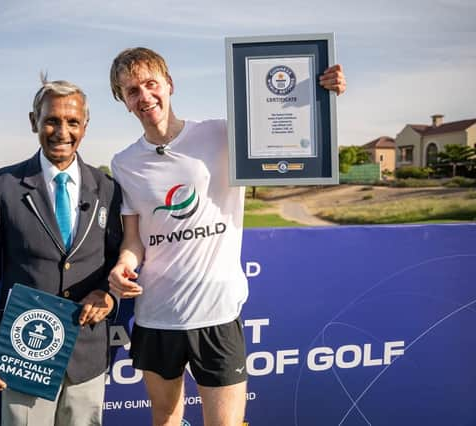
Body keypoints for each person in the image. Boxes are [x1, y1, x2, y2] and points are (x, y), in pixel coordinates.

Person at [107, 47, 346, 426]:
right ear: (123, 100)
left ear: (169, 85)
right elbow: (134, 238)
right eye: (132, 90)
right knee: (165, 417)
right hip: (157, 315)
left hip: (217, 312)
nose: (145, 96)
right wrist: (124, 264)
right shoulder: (124, 162)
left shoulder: (222, 134)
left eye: (151, 84)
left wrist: (318, 95)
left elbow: (286, 131)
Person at [0, 77, 122, 426]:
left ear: (85, 126)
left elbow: (117, 263)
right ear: (34, 121)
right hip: (24, 354)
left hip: (87, 356)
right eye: (51, 120)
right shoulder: (3, 186)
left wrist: (109, 296)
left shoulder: (107, 188)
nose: (62, 131)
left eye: (73, 122)